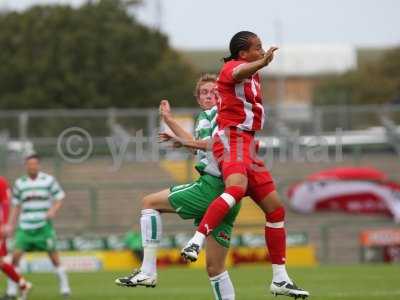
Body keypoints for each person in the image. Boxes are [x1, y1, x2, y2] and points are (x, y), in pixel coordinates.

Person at [181, 31, 309, 299]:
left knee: (275, 209)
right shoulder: (230, 69)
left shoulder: (251, 72)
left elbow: (247, 77)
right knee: (236, 189)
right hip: (231, 138)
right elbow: (239, 72)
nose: (261, 50)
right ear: (243, 54)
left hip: (249, 144)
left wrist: (259, 65)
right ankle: (196, 241)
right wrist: (263, 62)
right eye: (257, 47)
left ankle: (280, 278)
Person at [115, 74, 240, 300]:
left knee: (149, 203)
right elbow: (198, 148)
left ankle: (148, 271)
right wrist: (171, 121)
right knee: (215, 268)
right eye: (204, 92)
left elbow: (214, 144)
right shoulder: (207, 116)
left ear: (221, 94)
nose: (210, 95)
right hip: (229, 197)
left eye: (214, 91)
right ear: (198, 98)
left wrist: (182, 140)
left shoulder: (219, 114)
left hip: (212, 188)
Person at [4, 154, 71, 299]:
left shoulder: (48, 180)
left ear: (38, 165)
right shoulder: (20, 183)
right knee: (14, 258)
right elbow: (16, 206)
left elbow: (60, 197)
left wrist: (53, 210)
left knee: (54, 257)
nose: (32, 166)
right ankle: (11, 292)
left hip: (43, 226)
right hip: (25, 226)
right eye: (29, 164)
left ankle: (65, 289)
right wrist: (10, 224)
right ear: (26, 166)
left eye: (34, 164)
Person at [0, 176, 32, 300]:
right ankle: (23, 284)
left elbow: (5, 203)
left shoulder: (1, 182)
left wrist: (5, 224)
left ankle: (22, 284)